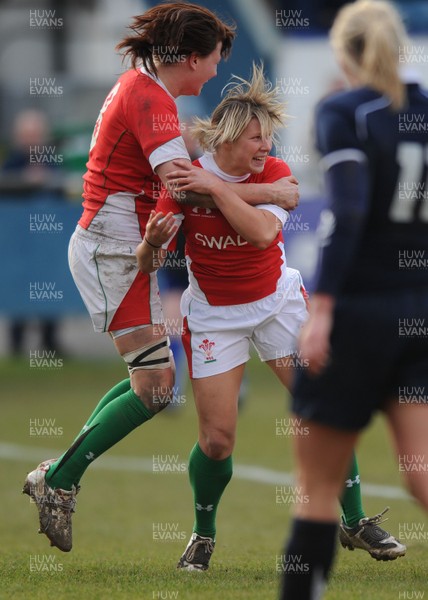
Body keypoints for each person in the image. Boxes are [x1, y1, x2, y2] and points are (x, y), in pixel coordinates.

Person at [136, 63, 404, 571]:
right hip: (215, 315)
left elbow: (261, 235)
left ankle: (355, 520)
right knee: (217, 441)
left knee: (323, 410)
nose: (265, 147)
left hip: (277, 305)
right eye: (256, 138)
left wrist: (213, 189)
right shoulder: (181, 180)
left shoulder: (274, 174)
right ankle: (203, 534)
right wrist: (151, 244)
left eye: (268, 138)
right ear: (229, 138)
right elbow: (148, 262)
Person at [21, 2, 238, 553]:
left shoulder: (143, 88)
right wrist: (266, 194)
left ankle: (61, 476)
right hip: (115, 252)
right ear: (190, 57)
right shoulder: (150, 97)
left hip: (126, 249)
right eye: (213, 60)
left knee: (153, 382)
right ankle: (60, 480)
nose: (214, 72)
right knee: (158, 386)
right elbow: (183, 183)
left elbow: (173, 184)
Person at [280, 1, 428, 598]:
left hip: (363, 313)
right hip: (419, 312)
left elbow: (349, 210)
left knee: (316, 490)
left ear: (344, 52)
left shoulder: (345, 110)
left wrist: (321, 311)